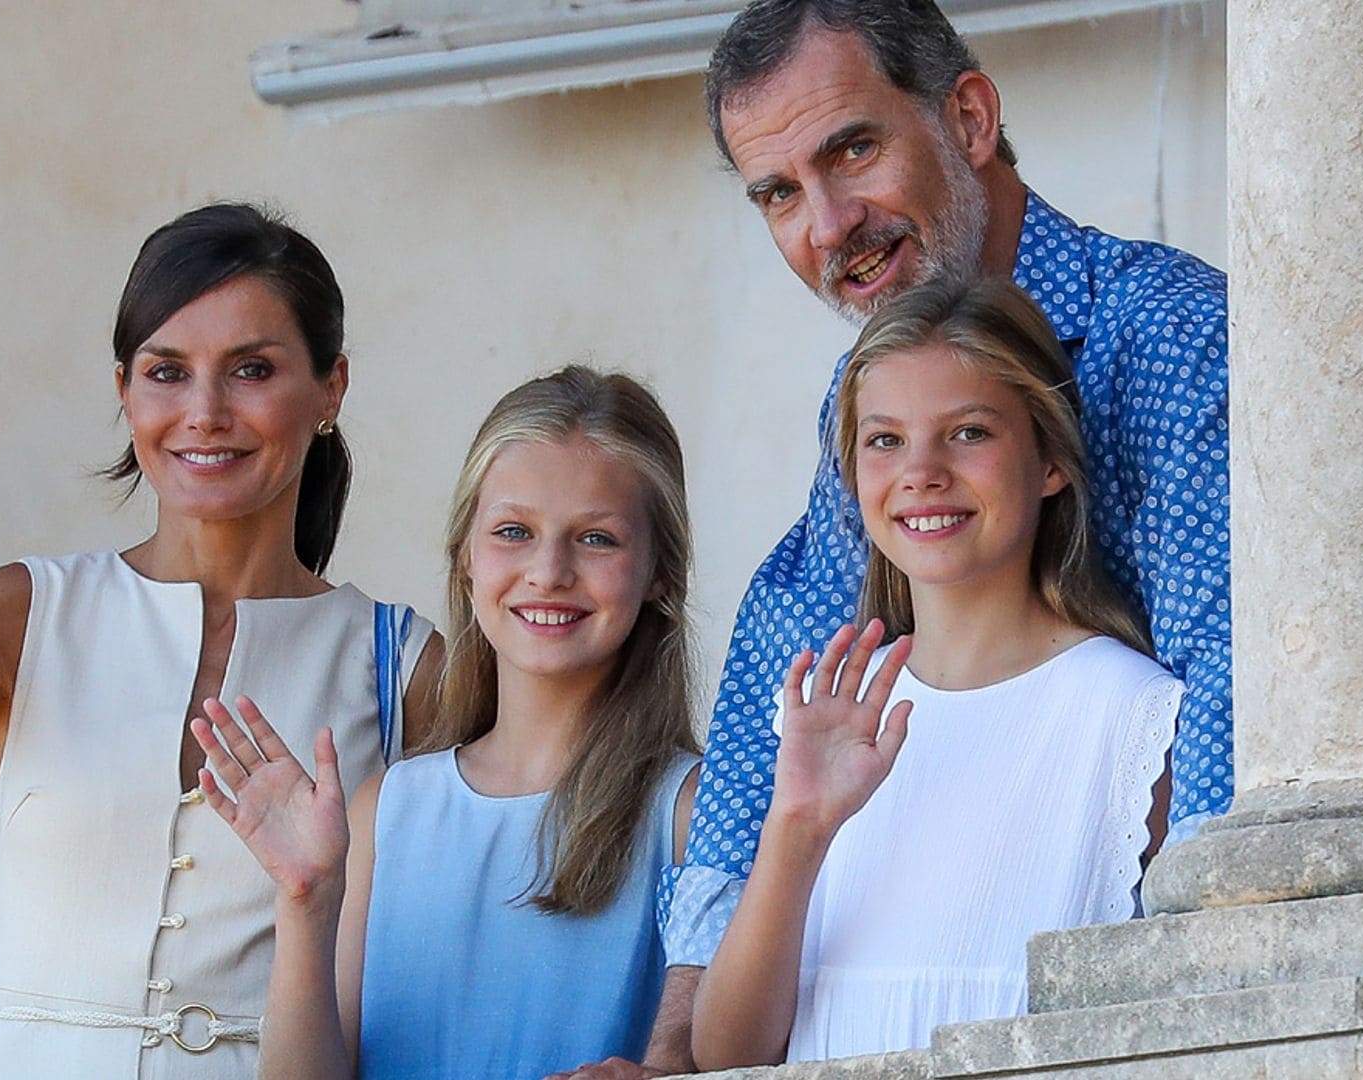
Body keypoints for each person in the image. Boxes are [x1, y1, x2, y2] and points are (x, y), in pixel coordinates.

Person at [599, 3, 1233, 1069]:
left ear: (971, 118)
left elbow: (1231, 681)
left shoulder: (1169, 336)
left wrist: (1203, 1024)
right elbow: (782, 674)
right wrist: (672, 1051)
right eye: (779, 194)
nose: (829, 223)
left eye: (853, 149)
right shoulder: (860, 388)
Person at [0, 197, 441, 1079]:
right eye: (166, 371)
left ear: (331, 389)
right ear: (124, 389)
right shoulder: (18, 614)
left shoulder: (404, 665)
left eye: (252, 369)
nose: (204, 411)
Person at [692, 278, 1180, 1066]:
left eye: (968, 433)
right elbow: (726, 1054)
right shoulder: (826, 711)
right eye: (885, 440)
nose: (920, 471)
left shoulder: (1129, 717)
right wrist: (799, 826)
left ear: (1051, 460)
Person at [190, 367, 704, 1079]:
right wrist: (306, 899)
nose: (548, 571)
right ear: (465, 558)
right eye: (514, 532)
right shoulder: (386, 811)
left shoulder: (694, 811)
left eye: (597, 539)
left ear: (660, 572)